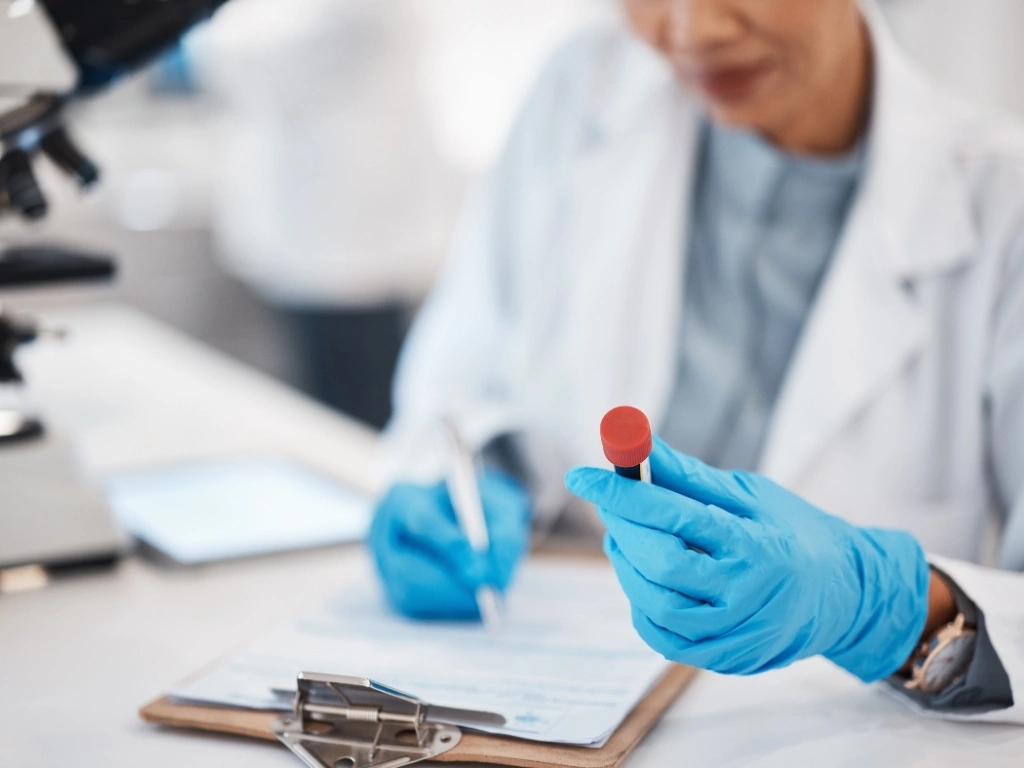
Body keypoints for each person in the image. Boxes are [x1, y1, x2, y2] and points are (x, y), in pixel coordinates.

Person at [370, 0, 1024, 721]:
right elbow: (460, 367)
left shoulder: (1004, 204)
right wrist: (466, 478)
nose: (692, 31)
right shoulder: (581, 89)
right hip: (548, 694)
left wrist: (893, 611)